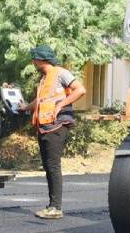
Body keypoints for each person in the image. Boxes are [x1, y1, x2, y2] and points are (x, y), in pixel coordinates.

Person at [23, 44, 86, 220]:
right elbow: (41, 100)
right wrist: (25, 107)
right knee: (49, 166)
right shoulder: (45, 78)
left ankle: (55, 207)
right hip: (46, 125)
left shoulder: (60, 72)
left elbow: (80, 90)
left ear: (40, 59)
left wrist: (61, 105)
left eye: (34, 58)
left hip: (57, 125)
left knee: (53, 165)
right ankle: (52, 206)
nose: (33, 62)